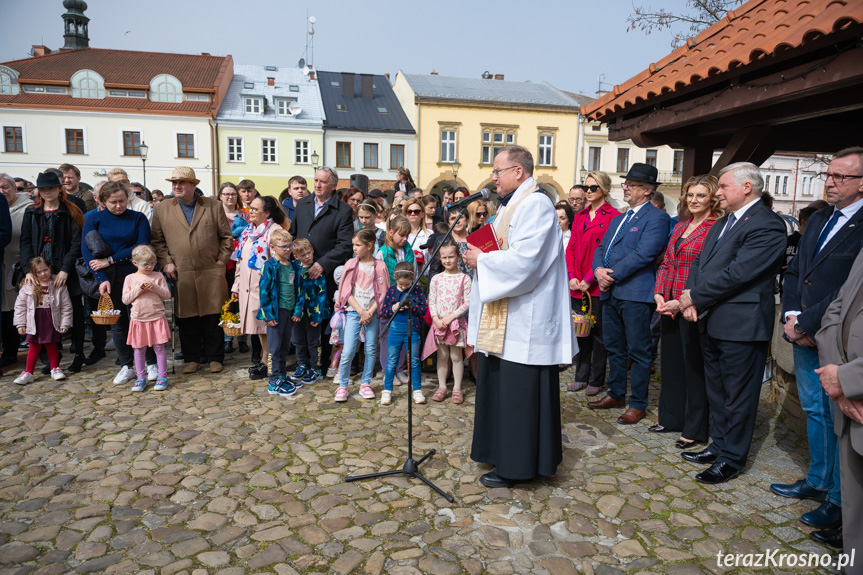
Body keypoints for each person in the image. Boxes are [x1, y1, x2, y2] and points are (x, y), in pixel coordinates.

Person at [462, 145, 577, 488]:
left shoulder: (537, 205)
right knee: (500, 387)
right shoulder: (511, 205)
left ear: (519, 172)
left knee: (518, 395)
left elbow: (526, 261)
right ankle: (499, 452)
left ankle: (518, 466)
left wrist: (481, 261)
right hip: (507, 315)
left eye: (498, 171)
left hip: (525, 318)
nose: (493, 178)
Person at [678, 162, 787, 484]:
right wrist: (691, 295)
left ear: (747, 188)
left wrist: (694, 296)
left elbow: (739, 273)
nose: (718, 192)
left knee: (738, 394)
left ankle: (732, 458)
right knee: (718, 389)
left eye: (723, 187)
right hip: (712, 318)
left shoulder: (767, 225)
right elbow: (700, 262)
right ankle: (719, 444)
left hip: (741, 322)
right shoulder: (723, 223)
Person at [772, 147, 863, 532]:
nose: (830, 181)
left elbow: (849, 288)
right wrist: (791, 315)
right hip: (803, 331)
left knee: (839, 417)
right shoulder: (822, 217)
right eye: (829, 174)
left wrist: (808, 321)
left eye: (841, 177)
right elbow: (796, 272)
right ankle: (819, 480)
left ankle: (841, 499)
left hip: (836, 338)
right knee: (813, 408)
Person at [588, 163, 670, 424]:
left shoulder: (657, 219)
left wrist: (610, 276)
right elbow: (601, 248)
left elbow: (644, 254)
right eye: (626, 184)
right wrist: (599, 270)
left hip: (635, 294)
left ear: (647, 190)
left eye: (631, 185)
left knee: (639, 351)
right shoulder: (619, 218)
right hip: (610, 293)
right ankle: (617, 393)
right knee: (614, 347)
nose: (625, 187)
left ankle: (638, 403)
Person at [652, 175, 721, 449]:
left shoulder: (716, 228)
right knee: (670, 364)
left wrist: (682, 302)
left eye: (701, 196)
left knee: (693, 368)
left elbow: (709, 271)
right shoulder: (680, 226)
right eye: (691, 195)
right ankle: (670, 418)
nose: (694, 200)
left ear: (712, 199)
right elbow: (666, 262)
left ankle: (694, 428)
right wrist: (659, 293)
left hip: (692, 306)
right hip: (667, 304)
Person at [151, 167, 233, 374]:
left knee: (212, 316)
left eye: (182, 183)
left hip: (210, 270)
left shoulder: (213, 206)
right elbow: (157, 241)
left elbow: (226, 237)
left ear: (193, 185)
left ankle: (215, 357)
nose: (177, 186)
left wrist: (222, 261)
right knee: (186, 318)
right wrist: (166, 262)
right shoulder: (162, 209)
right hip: (180, 271)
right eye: (174, 183)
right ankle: (192, 358)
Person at [815, 248, 863, 557]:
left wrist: (848, 380)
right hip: (848, 396)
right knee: (855, 505)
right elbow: (836, 310)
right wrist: (839, 383)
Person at [82, 180, 153, 384]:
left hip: (137, 275)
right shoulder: (94, 219)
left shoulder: (138, 218)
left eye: (122, 201)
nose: (118, 205)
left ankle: (150, 362)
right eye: (113, 202)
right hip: (110, 279)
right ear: (103, 201)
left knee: (141, 319)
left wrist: (111, 260)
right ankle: (126, 365)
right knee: (119, 323)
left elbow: (141, 245)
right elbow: (87, 251)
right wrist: (101, 278)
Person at [20, 171, 86, 374]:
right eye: (43, 189)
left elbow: (77, 242)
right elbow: (26, 242)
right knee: (42, 314)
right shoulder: (32, 212)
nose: (47, 192)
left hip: (66, 268)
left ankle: (78, 354)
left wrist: (65, 269)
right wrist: (28, 269)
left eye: (51, 188)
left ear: (59, 189)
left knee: (72, 311)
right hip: (40, 270)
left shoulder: (71, 210)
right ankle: (51, 358)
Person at [289, 167, 354, 373]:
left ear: (333, 185)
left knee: (323, 319)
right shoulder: (303, 204)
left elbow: (344, 245)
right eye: (315, 180)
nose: (317, 185)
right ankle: (303, 362)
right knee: (300, 317)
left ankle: (322, 363)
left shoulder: (342, 210)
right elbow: (293, 233)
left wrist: (322, 264)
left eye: (323, 181)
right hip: (302, 273)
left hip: (324, 274)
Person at [565, 171, 620, 396]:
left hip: (597, 286)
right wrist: (572, 276)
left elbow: (607, 252)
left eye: (593, 188)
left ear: (604, 190)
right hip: (578, 285)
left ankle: (596, 379)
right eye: (586, 187)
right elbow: (571, 249)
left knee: (599, 335)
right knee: (581, 332)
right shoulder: (580, 216)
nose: (588, 192)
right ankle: (581, 375)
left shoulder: (613, 216)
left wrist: (589, 278)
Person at [232, 195, 286, 380]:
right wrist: (236, 285)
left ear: (267, 213)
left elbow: (280, 263)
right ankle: (265, 360)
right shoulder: (248, 231)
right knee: (260, 327)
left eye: (255, 209)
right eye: (250, 208)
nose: (250, 212)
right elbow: (240, 259)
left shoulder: (275, 231)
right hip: (248, 285)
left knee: (267, 326)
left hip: (265, 288)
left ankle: (269, 362)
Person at [333, 229, 389, 402]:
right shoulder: (350, 264)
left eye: (358, 245)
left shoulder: (380, 266)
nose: (355, 248)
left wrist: (369, 312)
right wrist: (360, 311)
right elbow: (345, 292)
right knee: (348, 349)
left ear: (370, 246)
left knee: (371, 348)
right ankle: (343, 385)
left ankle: (365, 383)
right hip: (353, 312)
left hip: (372, 313)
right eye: (353, 245)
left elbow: (383, 293)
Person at [13, 257, 72, 384]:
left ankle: (55, 368)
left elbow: (66, 307)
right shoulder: (27, 287)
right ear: (33, 273)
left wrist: (65, 323)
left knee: (52, 345)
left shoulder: (59, 285)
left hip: (51, 320)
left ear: (50, 268)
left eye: (45, 270)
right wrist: (20, 324)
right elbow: (20, 306)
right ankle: (29, 372)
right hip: (34, 321)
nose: (43, 274)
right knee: (34, 348)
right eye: (38, 272)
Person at [427, 241, 471, 405]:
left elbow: (467, 302)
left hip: (455, 325)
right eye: (444, 257)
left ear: (458, 257)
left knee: (456, 356)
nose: (447, 260)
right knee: (442, 356)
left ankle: (457, 388)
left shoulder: (464, 278)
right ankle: (442, 386)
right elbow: (432, 301)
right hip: (439, 325)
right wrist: (436, 319)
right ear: (440, 258)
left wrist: (451, 317)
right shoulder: (437, 279)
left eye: (451, 257)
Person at [122, 245, 171, 392]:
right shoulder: (130, 278)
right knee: (138, 350)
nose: (150, 267)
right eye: (145, 264)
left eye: (153, 263)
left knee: (159, 348)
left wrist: (154, 287)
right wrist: (139, 289)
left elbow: (167, 295)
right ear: (135, 263)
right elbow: (125, 300)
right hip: (139, 319)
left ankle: (162, 376)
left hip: (156, 317)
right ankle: (141, 377)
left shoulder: (158, 276)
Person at [257, 227, 299, 397]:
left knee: (284, 346)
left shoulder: (293, 266)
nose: (288, 249)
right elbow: (263, 291)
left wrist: (296, 309)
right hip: (275, 312)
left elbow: (297, 289)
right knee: (274, 348)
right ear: (273, 247)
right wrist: (268, 314)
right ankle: (273, 380)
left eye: (290, 246)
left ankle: (282, 375)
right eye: (284, 247)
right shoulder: (269, 266)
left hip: (289, 310)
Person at [380, 261, 428, 405]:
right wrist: (394, 307)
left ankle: (417, 390)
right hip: (394, 330)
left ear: (412, 280)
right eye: (401, 284)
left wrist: (411, 306)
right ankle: (387, 390)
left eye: (407, 285)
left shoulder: (417, 290)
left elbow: (424, 310)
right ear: (396, 279)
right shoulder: (392, 291)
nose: (404, 287)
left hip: (412, 330)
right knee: (391, 361)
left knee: (414, 361)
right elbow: (384, 312)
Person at [288, 238, 329, 386]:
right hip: (297, 313)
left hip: (313, 312)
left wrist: (317, 316)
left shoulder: (316, 270)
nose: (308, 256)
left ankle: (316, 368)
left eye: (309, 252)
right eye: (303, 254)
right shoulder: (294, 268)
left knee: (313, 342)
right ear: (296, 257)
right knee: (298, 341)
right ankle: (302, 365)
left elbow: (322, 293)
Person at [1, 173, 31, 369]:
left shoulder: (27, 208)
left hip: (18, 265)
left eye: (5, 187)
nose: (2, 191)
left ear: (13, 188)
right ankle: (9, 351)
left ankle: (27, 349)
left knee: (18, 308)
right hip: (1, 264)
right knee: (5, 311)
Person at [218, 182, 247, 354]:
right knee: (226, 301)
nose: (230, 197)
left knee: (242, 300)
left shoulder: (243, 215)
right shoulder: (215, 214)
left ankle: (242, 337)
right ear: (220, 196)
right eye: (227, 194)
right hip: (222, 263)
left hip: (240, 262)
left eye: (233, 194)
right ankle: (227, 338)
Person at [403, 197, 430, 268]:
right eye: (409, 211)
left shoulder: (429, 234)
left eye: (416, 211)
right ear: (405, 214)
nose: (413, 214)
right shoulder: (399, 234)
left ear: (422, 214)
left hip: (423, 275)